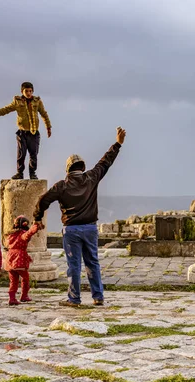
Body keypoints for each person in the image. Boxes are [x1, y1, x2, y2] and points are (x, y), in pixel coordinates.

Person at [33, 127, 127, 307]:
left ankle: (74, 298)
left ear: (67, 169)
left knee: (73, 265)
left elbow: (42, 200)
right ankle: (98, 296)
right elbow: (105, 162)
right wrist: (118, 143)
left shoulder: (61, 186)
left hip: (71, 230)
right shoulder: (91, 177)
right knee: (93, 262)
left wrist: (38, 217)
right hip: (91, 228)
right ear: (82, 167)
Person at [0, 82, 52, 179]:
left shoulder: (37, 101)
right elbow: (5, 110)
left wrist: (48, 127)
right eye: (26, 91)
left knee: (33, 154)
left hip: (34, 133)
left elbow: (44, 114)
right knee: (21, 154)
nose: (28, 93)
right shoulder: (17, 102)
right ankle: (20, 173)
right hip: (22, 133)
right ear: (22, 91)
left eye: (30, 91)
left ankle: (32, 173)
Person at [4, 215, 41, 306]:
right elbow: (30, 233)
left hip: (9, 259)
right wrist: (36, 224)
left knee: (13, 280)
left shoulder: (10, 235)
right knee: (25, 278)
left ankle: (12, 298)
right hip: (19, 258)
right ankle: (24, 296)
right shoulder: (23, 234)